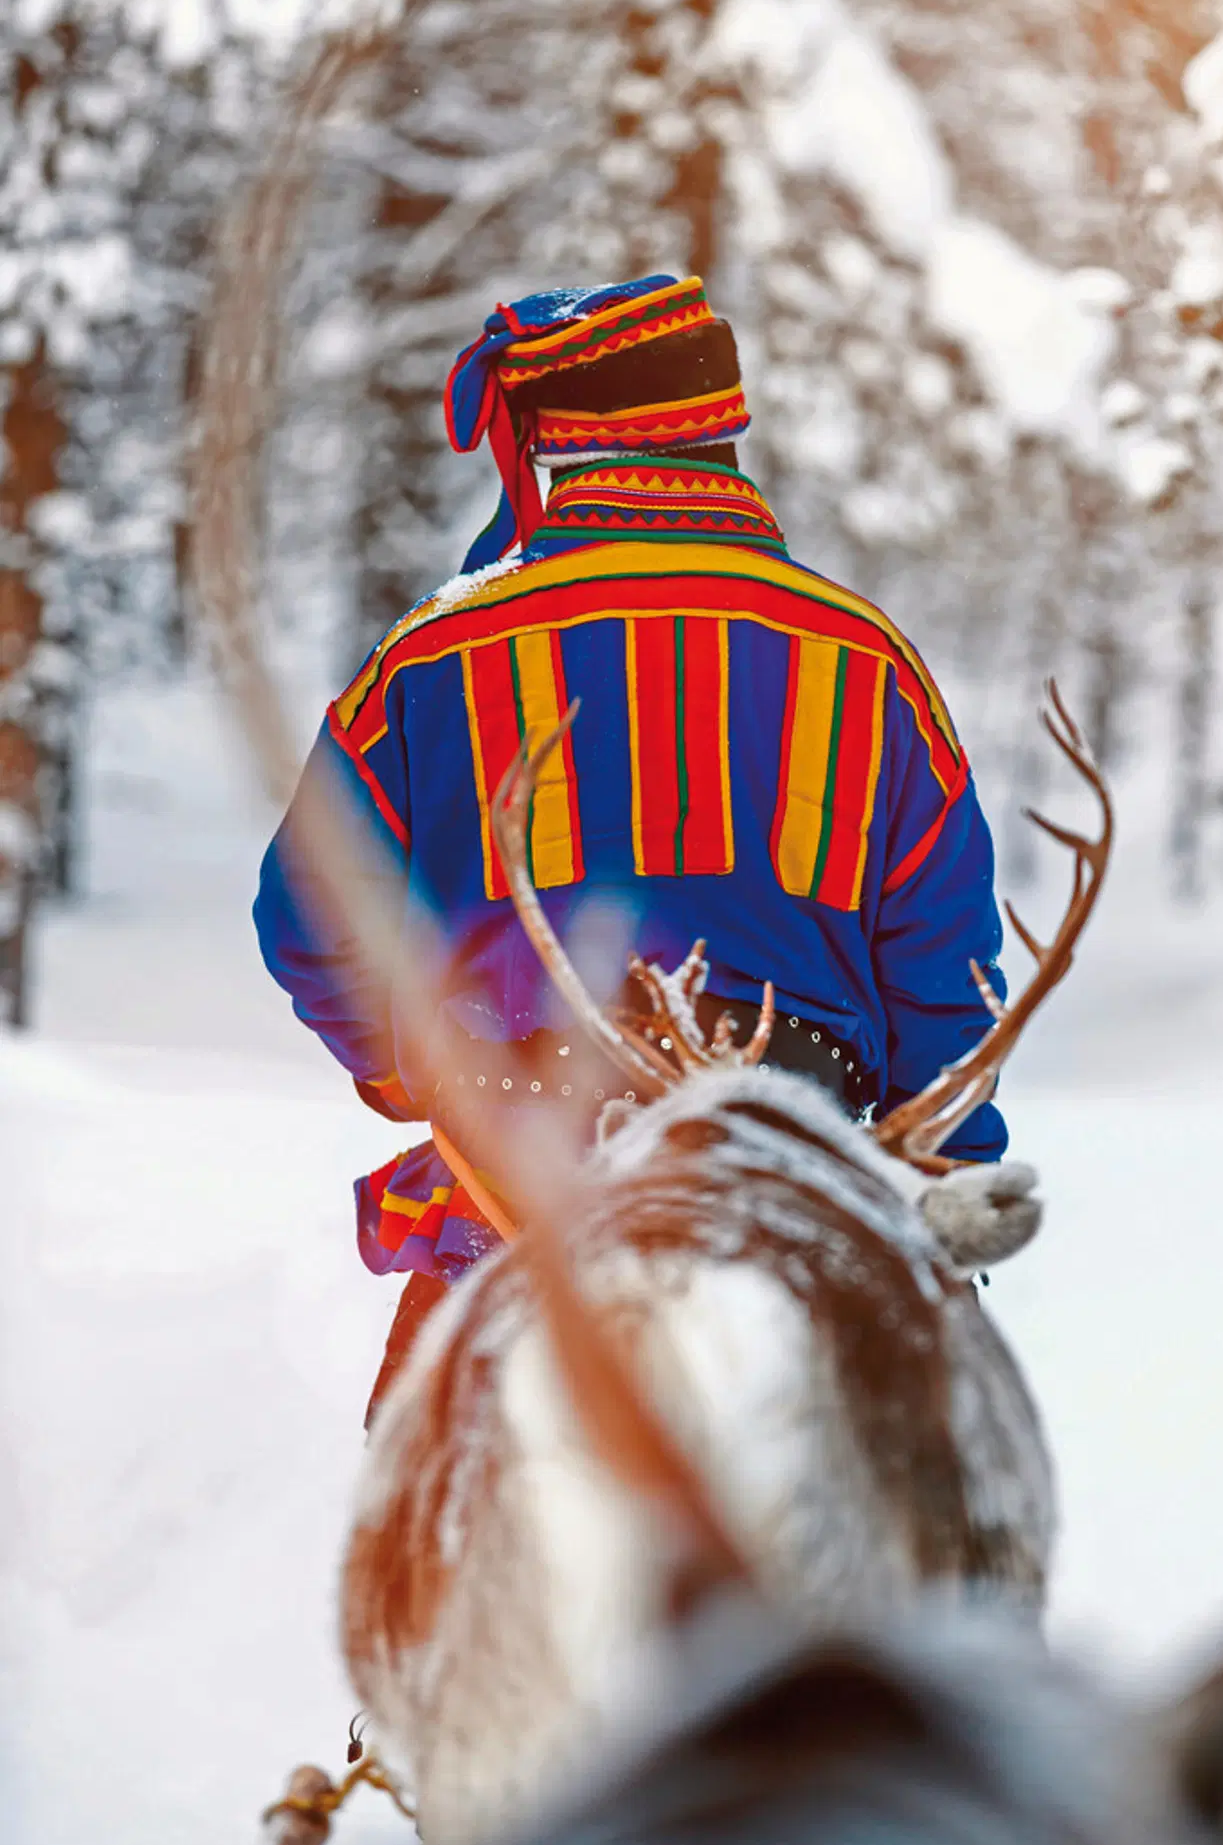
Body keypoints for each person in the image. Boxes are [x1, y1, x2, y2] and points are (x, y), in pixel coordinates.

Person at [254, 274, 1008, 1416]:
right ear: (717, 440)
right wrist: (945, 1170)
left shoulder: (431, 661)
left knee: (421, 1538)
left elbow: (310, 922)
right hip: (792, 1175)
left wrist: (414, 1068)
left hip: (520, 1179)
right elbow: (944, 975)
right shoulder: (868, 663)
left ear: (561, 456)